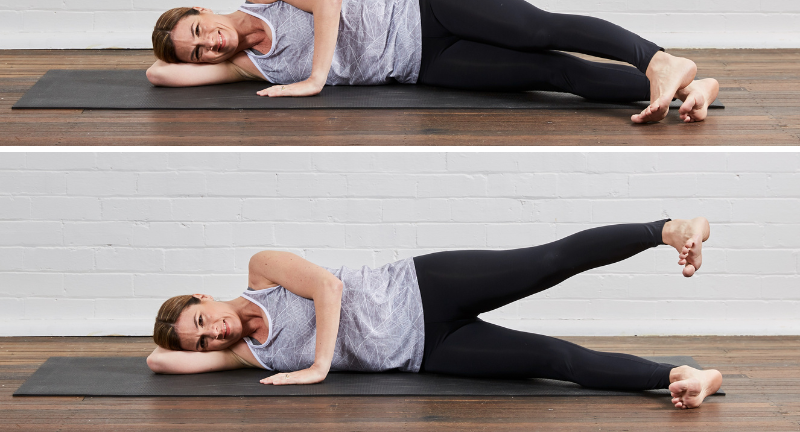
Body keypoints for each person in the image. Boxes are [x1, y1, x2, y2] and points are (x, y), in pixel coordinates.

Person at [147, 217, 722, 410]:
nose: (211, 334)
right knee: (555, 359)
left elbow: (326, 287)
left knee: (548, 261)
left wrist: (320, 366)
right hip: (429, 352)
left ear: (205, 297)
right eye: (201, 343)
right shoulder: (247, 356)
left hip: (426, 286)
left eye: (201, 321)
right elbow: (160, 362)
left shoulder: (263, 270)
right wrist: (185, 349)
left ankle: (666, 230)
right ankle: (680, 376)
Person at [147, 0, 719, 124]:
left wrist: (317, 78)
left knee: (536, 30)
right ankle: (691, 89)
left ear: (203, 10)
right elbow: (160, 76)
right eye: (198, 51)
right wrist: (176, 58)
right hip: (426, 63)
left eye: (199, 31)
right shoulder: (249, 68)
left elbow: (326, 0)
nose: (209, 45)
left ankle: (659, 58)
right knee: (553, 75)